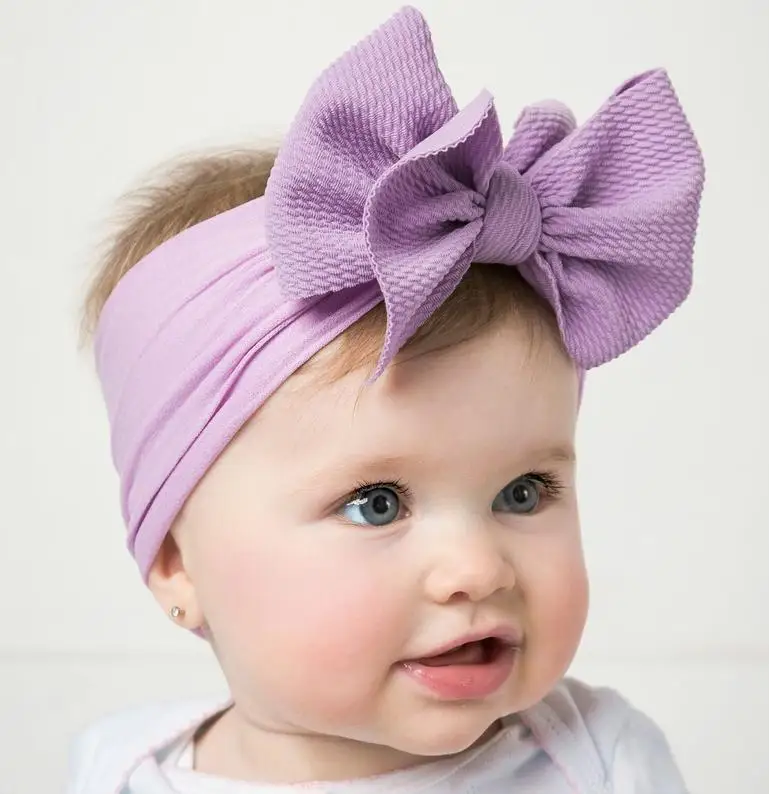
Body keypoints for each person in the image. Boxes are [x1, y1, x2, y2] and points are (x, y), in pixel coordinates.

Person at [69, 6, 705, 792]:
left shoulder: (601, 762)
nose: (477, 569)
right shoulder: (115, 771)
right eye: (376, 504)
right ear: (176, 564)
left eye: (523, 491)